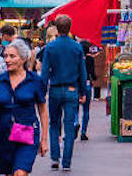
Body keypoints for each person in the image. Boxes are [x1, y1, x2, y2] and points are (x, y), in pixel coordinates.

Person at [0, 40, 49, 176]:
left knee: (20, 172)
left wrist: (44, 139)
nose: (7, 60)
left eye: (12, 56)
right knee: (9, 173)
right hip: (3, 134)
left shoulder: (35, 81)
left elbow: (43, 111)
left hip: (27, 132)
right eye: (6, 56)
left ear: (23, 58)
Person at [40, 15, 87, 171]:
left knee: (54, 124)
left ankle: (54, 158)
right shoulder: (77, 47)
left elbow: (45, 72)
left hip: (55, 89)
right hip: (72, 89)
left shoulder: (50, 48)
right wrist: (83, 91)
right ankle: (66, 162)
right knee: (69, 127)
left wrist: (41, 91)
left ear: (56, 28)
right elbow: (82, 71)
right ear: (70, 27)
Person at [74, 39, 98, 141]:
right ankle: (83, 132)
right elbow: (93, 74)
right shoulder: (90, 59)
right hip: (87, 84)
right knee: (86, 109)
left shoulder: (76, 59)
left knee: (75, 108)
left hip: (76, 85)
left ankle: (75, 122)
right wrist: (95, 78)